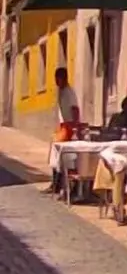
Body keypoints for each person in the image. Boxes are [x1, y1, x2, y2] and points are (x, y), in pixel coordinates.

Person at [45, 67, 80, 195]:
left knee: (60, 153)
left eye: (57, 79)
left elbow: (75, 109)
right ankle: (55, 182)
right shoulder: (61, 91)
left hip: (68, 126)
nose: (56, 82)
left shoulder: (69, 92)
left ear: (63, 78)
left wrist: (75, 126)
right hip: (62, 126)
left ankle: (58, 183)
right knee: (54, 153)